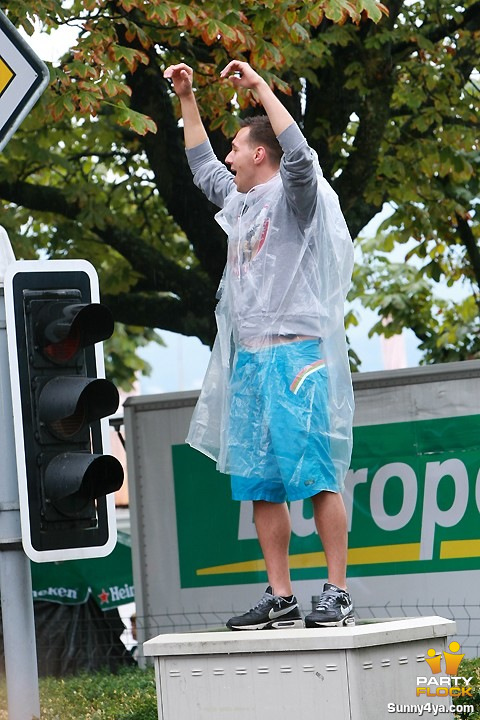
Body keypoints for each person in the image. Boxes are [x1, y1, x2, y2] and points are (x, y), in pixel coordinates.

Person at [164, 59, 355, 630]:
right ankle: (281, 595)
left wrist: (262, 88)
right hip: (250, 358)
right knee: (261, 484)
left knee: (316, 474)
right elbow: (201, 166)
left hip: (298, 356)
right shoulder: (241, 204)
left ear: (260, 154)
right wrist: (187, 98)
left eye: (237, 149)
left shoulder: (295, 195)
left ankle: (338, 592)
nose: (228, 157)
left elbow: (300, 156)